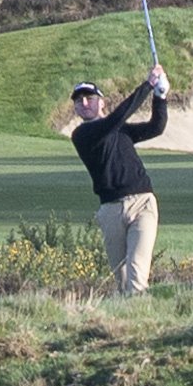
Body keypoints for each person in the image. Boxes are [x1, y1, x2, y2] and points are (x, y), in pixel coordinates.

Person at [70, 65, 169, 295]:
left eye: (90, 98)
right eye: (79, 101)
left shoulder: (119, 130)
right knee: (122, 281)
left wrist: (160, 97)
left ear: (101, 102)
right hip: (111, 210)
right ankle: (126, 322)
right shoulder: (82, 135)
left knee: (136, 274)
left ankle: (141, 324)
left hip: (143, 203)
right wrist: (148, 85)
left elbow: (156, 127)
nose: (84, 103)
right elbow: (117, 118)